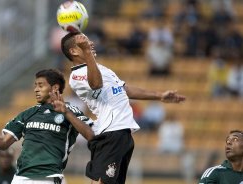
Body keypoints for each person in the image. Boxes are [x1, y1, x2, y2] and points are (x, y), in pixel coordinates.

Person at [60, 32, 186, 184]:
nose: (90, 43)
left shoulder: (102, 69)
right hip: (111, 133)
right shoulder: (76, 76)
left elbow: (125, 89)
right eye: (84, 42)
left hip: (122, 134)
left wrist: (159, 96)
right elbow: (96, 84)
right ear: (73, 51)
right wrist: (87, 52)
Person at [0, 69, 94, 184]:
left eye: (40, 85)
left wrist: (66, 112)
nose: (36, 89)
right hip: (20, 177)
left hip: (48, 177)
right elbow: (4, 143)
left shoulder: (71, 111)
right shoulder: (28, 113)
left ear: (55, 88)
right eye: (35, 85)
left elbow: (90, 135)